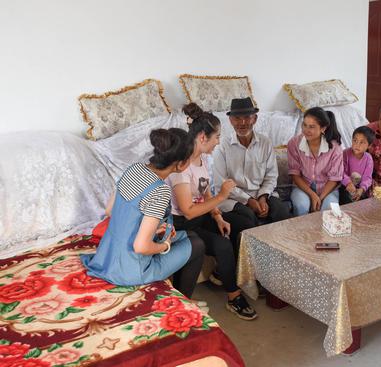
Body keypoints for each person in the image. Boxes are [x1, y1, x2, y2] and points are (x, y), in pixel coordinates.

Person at [81, 128, 205, 299]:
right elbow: (141, 247)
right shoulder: (160, 191)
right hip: (131, 269)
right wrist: (165, 245)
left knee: (188, 236)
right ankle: (183, 299)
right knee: (197, 245)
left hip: (106, 256)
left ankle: (177, 293)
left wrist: (153, 229)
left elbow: (110, 210)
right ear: (180, 164)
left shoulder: (134, 169)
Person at [167, 103, 257, 321]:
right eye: (216, 137)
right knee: (222, 244)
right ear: (201, 138)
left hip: (201, 216)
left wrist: (218, 216)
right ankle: (234, 297)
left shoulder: (202, 159)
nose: (218, 142)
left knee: (239, 224)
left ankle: (237, 276)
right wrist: (222, 196)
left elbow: (205, 191)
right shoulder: (182, 167)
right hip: (183, 223)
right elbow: (188, 212)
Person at [213, 97, 291, 253]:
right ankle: (248, 268)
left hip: (262, 194)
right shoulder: (222, 147)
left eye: (247, 117)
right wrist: (248, 200)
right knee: (247, 219)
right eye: (237, 118)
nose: (242, 123)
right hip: (233, 198)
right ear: (230, 120)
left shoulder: (265, 143)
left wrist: (262, 197)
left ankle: (283, 258)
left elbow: (271, 176)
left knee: (282, 212)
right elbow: (222, 183)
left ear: (255, 118)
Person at [287, 107, 344, 216]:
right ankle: (302, 233)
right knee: (301, 205)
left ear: (323, 128)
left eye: (312, 127)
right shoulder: (294, 143)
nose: (306, 130)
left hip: (327, 188)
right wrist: (312, 195)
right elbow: (295, 174)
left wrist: (320, 198)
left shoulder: (335, 148)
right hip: (303, 187)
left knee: (329, 209)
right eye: (304, 125)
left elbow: (334, 179)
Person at [339, 126, 375, 204]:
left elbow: (367, 177)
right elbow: (340, 172)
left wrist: (362, 189)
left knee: (367, 202)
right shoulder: (345, 153)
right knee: (347, 199)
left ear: (369, 145)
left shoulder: (368, 158)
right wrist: (348, 183)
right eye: (355, 140)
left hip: (360, 189)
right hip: (345, 186)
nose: (357, 145)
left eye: (362, 142)